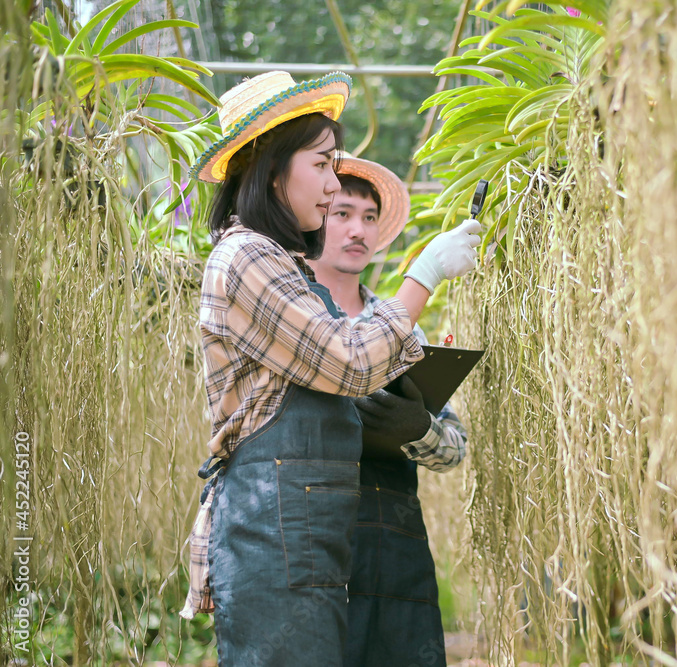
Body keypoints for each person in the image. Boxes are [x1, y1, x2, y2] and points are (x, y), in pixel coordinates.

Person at [178, 70, 481, 667]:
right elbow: (347, 360)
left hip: (322, 538)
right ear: (270, 166)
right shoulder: (247, 257)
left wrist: (416, 427)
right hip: (276, 527)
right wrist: (425, 273)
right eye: (322, 166)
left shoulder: (288, 274)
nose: (331, 183)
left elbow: (452, 442)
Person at [305, 154, 466, 667]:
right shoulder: (291, 315)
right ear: (313, 218)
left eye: (369, 218)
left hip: (395, 550)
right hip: (309, 546)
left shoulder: (405, 329)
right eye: (342, 213)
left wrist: (418, 428)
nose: (358, 230)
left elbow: (453, 449)